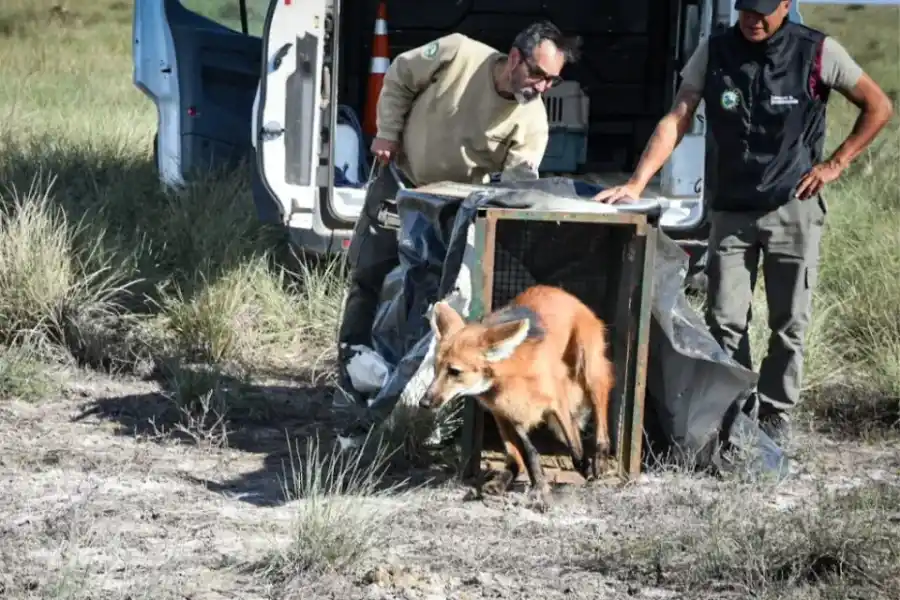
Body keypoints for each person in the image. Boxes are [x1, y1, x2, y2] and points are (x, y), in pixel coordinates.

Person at [593, 0, 893, 445]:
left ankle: (775, 414)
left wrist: (835, 164)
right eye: (745, 10)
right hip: (731, 209)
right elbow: (679, 114)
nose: (752, 20)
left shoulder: (817, 51)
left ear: (786, 5)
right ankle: (733, 410)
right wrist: (638, 183)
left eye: (763, 12)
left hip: (794, 206)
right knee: (724, 320)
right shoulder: (714, 50)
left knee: (789, 322)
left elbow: (878, 105)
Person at [336, 22, 582, 415]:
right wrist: (386, 132)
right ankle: (350, 367)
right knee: (370, 273)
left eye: (552, 81)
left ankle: (410, 386)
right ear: (515, 58)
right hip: (402, 180)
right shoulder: (457, 53)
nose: (542, 88)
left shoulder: (531, 121)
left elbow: (517, 184)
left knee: (435, 295)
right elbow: (399, 74)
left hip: (451, 208)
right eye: (538, 75)